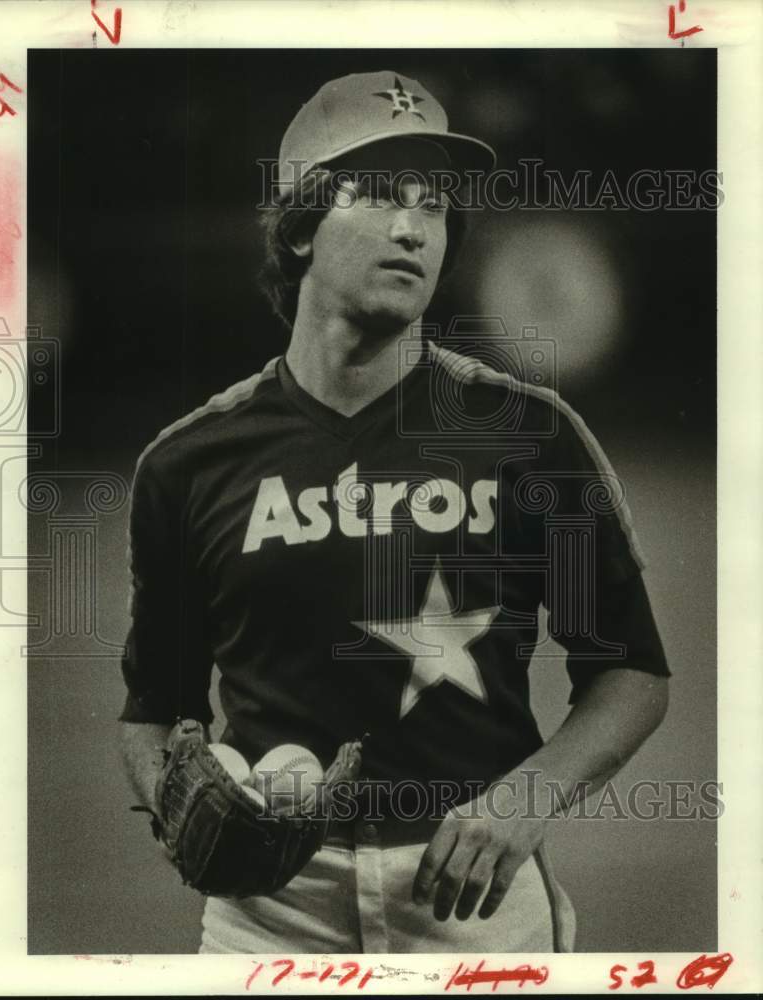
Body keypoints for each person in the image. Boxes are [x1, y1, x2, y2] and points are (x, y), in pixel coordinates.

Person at [119, 70, 670, 954]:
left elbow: (633, 675)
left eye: (435, 206)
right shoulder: (188, 464)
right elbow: (153, 708)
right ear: (299, 224)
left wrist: (523, 801)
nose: (414, 227)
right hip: (268, 917)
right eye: (378, 195)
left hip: (474, 903)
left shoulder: (527, 437)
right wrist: (176, 814)